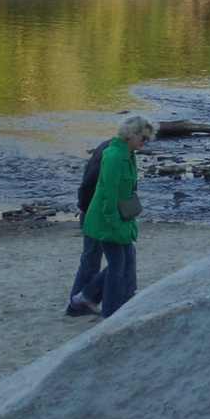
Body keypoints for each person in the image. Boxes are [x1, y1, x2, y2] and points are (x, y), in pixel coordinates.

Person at [76, 115, 153, 318]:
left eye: (148, 139)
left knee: (124, 260)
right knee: (114, 263)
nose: (146, 142)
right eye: (144, 138)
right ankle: (105, 309)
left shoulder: (128, 153)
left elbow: (125, 189)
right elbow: (107, 193)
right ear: (131, 135)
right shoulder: (114, 155)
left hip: (120, 219)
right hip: (107, 220)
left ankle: (92, 299)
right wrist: (112, 222)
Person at [65, 135, 113, 316]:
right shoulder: (111, 153)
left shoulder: (106, 148)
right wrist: (87, 210)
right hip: (94, 214)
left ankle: (78, 304)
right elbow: (88, 185)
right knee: (107, 260)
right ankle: (81, 302)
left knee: (90, 260)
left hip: (90, 212)